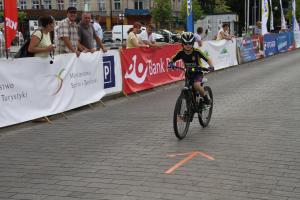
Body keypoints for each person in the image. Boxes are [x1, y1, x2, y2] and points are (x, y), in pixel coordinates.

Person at [168, 32, 215, 105]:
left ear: (193, 43)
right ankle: (188, 109)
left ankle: (206, 99)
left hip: (198, 72)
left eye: (190, 43)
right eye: (185, 44)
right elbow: (172, 58)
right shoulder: (181, 52)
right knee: (187, 88)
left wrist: (211, 66)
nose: (187, 45)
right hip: (188, 73)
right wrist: (170, 63)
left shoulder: (197, 52)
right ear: (182, 44)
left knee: (196, 85)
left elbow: (207, 59)